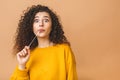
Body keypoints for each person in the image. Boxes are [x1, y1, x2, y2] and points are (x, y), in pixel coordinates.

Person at [10, 4, 78, 80]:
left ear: (52, 26)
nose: (41, 24)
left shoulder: (64, 50)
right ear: (31, 27)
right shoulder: (27, 54)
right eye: (36, 21)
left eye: (46, 20)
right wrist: (21, 65)